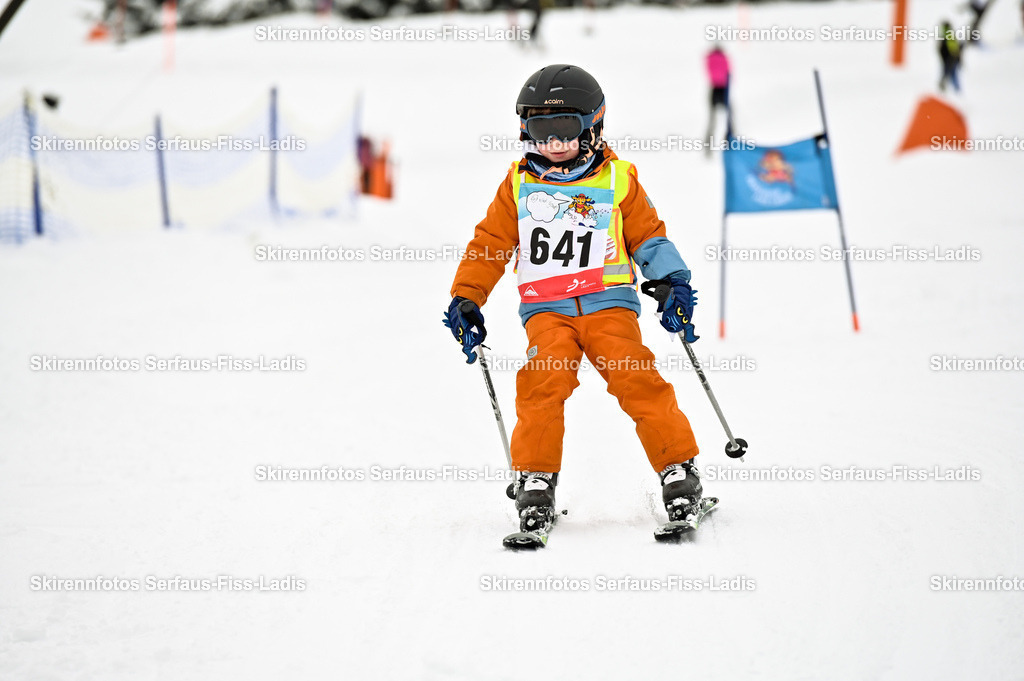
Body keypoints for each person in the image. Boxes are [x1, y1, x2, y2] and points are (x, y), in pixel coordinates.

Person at [443, 64, 705, 538]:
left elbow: (648, 234)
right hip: (548, 311)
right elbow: (490, 242)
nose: (553, 144)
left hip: (609, 304)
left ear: (592, 127)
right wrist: (467, 296)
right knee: (542, 385)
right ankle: (537, 478)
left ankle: (679, 470)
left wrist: (671, 280)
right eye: (541, 131)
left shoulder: (617, 180)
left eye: (564, 129)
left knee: (635, 377)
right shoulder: (520, 185)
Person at [704, 45, 731, 155]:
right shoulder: (723, 57)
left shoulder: (709, 57)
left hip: (715, 88)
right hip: (723, 89)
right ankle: (730, 145)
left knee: (712, 120)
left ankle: (708, 148)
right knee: (728, 120)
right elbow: (729, 71)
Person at [938, 20, 962, 93]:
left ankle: (956, 89)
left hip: (950, 58)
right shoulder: (947, 35)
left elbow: (953, 47)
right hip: (949, 58)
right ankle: (954, 88)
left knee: (950, 72)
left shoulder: (948, 35)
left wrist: (954, 56)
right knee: (950, 73)